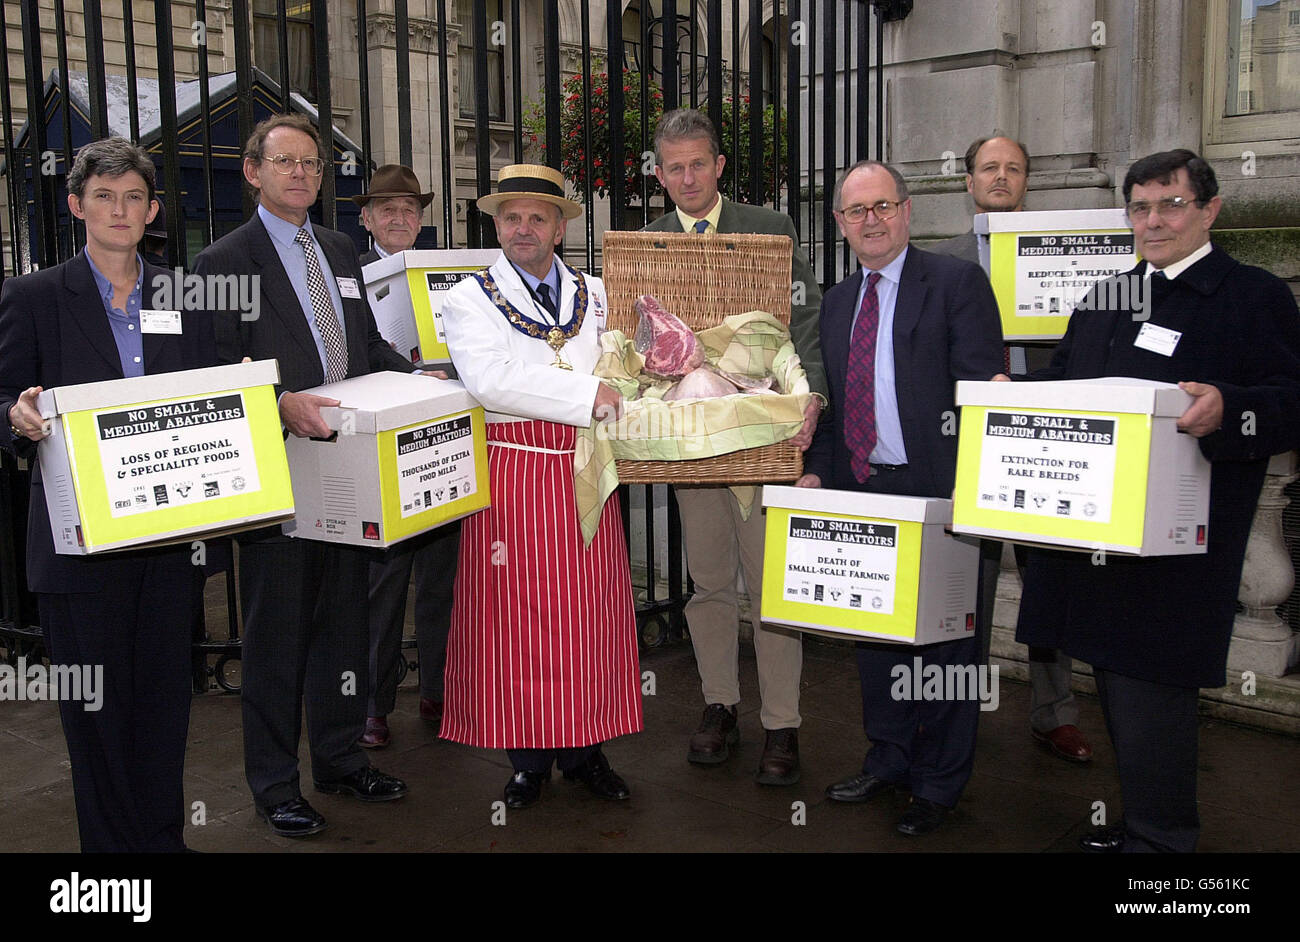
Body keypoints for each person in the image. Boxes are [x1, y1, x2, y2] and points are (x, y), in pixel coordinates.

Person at [1014, 149, 1300, 853]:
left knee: (1155, 692)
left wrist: (1229, 406)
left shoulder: (1253, 296)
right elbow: (1066, 384)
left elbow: (1290, 401)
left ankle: (1164, 841)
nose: (1153, 220)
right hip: (1098, 540)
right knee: (1115, 686)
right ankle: (1143, 823)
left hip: (1180, 550)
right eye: (1139, 207)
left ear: (1210, 210)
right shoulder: (1105, 297)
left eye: (1171, 204)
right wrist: (1009, 396)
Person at [193, 114, 416, 837]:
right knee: (277, 638)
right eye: (285, 162)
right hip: (280, 472)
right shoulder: (224, 262)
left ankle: (341, 759)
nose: (301, 174)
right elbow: (212, 372)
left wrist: (423, 381)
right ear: (253, 171)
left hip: (349, 468)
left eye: (312, 164)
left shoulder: (339, 248)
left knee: (343, 625)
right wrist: (278, 400)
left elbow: (365, 346)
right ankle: (274, 784)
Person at [0, 137, 214, 851]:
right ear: (76, 206)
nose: (120, 210)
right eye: (103, 197)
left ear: (152, 210)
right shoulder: (33, 296)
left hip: (169, 536)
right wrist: (15, 415)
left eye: (133, 198)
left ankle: (163, 842)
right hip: (79, 544)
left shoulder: (183, 293)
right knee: (95, 712)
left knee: (163, 704)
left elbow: (210, 388)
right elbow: (3, 394)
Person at [802, 160, 1005, 835]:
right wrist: (817, 474)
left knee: (949, 647)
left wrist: (974, 488)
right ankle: (888, 759)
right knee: (878, 637)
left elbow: (983, 394)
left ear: (907, 211)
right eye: (857, 211)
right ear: (840, 223)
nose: (872, 220)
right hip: (865, 488)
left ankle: (939, 784)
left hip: (942, 492)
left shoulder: (955, 283)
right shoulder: (836, 302)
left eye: (883, 206)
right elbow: (832, 408)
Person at [438, 163, 642, 809]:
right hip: (514, 474)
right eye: (511, 217)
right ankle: (526, 759)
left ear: (559, 228)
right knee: (516, 621)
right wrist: (589, 393)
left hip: (587, 470)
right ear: (497, 226)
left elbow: (625, 362)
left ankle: (586, 750)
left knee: (587, 617)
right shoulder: (468, 298)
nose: (522, 228)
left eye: (537, 217)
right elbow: (490, 380)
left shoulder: (598, 291)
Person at [643, 108, 829, 785]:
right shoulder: (648, 243)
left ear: (719, 165)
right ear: (660, 175)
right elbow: (633, 343)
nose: (688, 177)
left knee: (771, 583)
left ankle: (782, 723)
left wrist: (811, 398)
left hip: (763, 433)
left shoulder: (768, 227)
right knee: (709, 581)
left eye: (699, 163)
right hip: (692, 442)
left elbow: (804, 318)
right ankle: (719, 704)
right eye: (675, 168)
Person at [933, 135, 1094, 764]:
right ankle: (956, 715)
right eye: (989, 168)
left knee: (1048, 581)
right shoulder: (941, 263)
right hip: (968, 443)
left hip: (1043, 442)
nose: (1001, 177)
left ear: (1028, 181)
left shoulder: (1069, 257)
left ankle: (1056, 714)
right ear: (968, 181)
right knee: (965, 586)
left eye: (1014, 168)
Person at [350, 164, 458, 747]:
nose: (399, 218)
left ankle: (439, 691)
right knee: (383, 584)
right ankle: (373, 703)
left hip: (443, 442)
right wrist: (411, 373)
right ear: (367, 219)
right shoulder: (346, 277)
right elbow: (355, 352)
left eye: (410, 209)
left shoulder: (449, 279)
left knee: (442, 580)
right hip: (381, 446)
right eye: (387, 209)